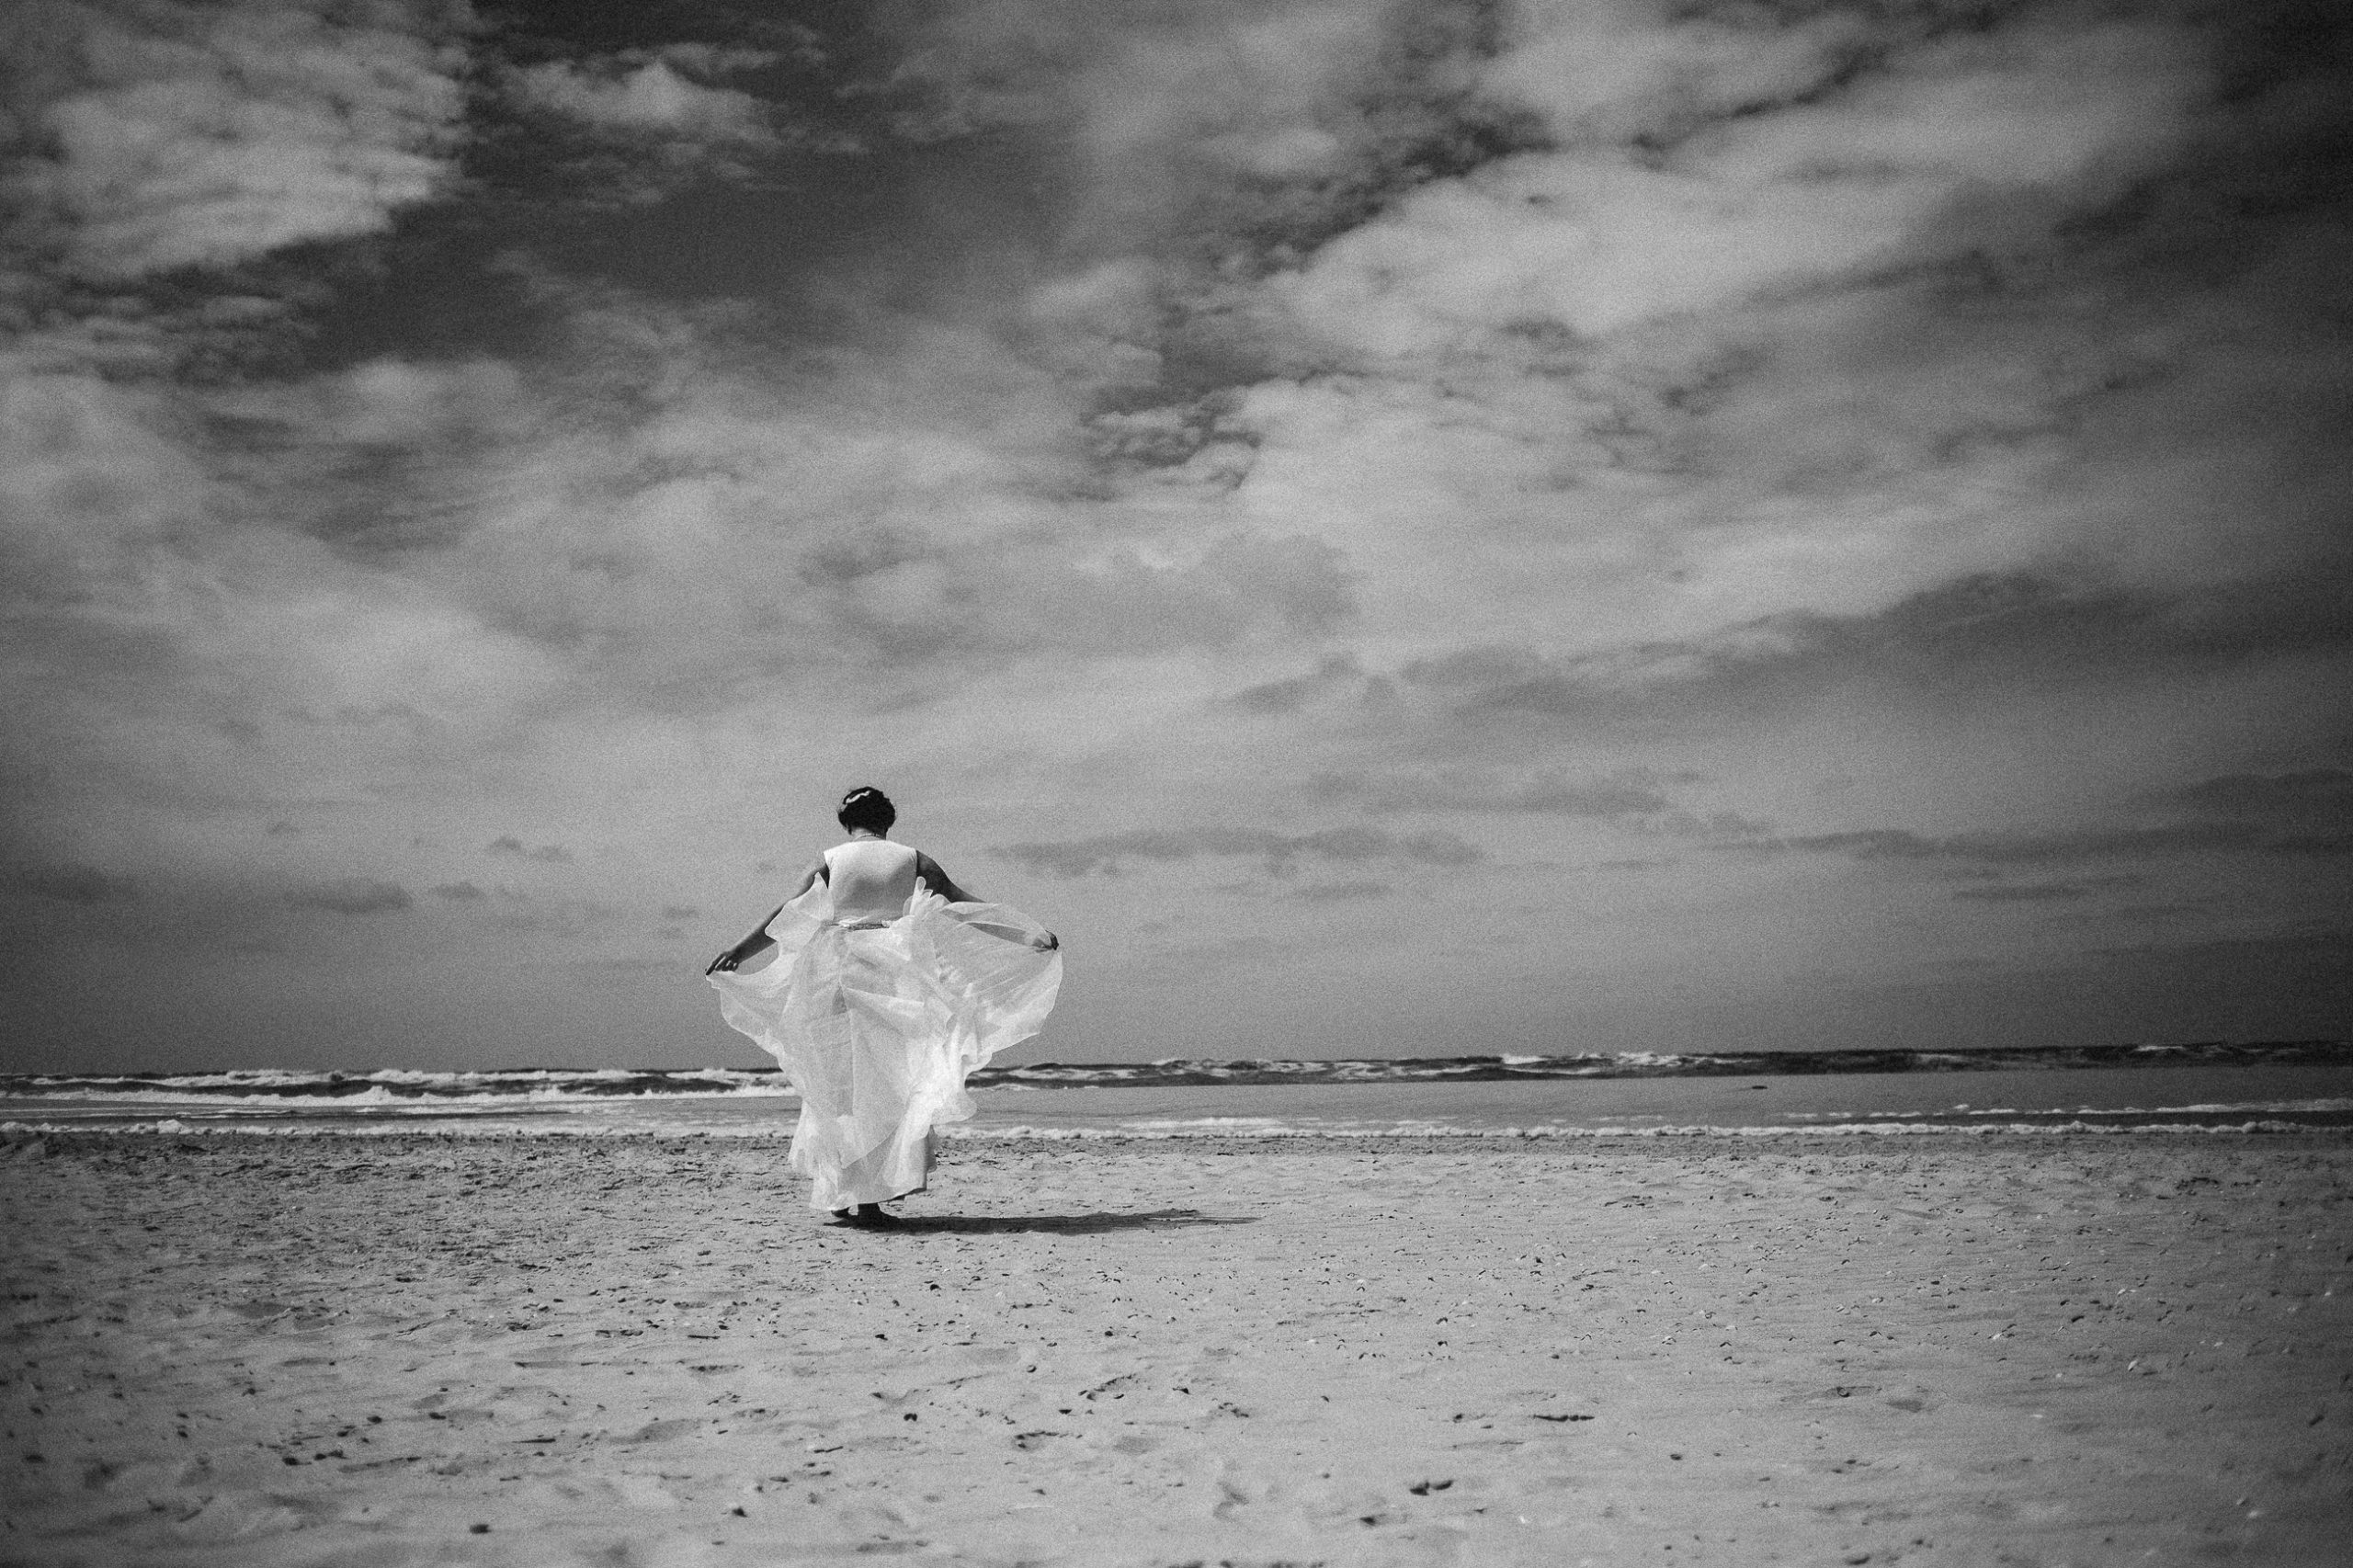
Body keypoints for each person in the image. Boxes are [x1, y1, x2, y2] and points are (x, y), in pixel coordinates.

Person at [705, 787, 1061, 1227]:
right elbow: (964, 903)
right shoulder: (912, 859)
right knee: (886, 1086)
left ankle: (838, 1191)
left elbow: (786, 916)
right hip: (891, 976)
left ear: (845, 821)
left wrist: (739, 951)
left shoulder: (831, 859)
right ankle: (865, 1200)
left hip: (833, 972)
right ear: (887, 821)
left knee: (838, 1086)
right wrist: (1024, 935)